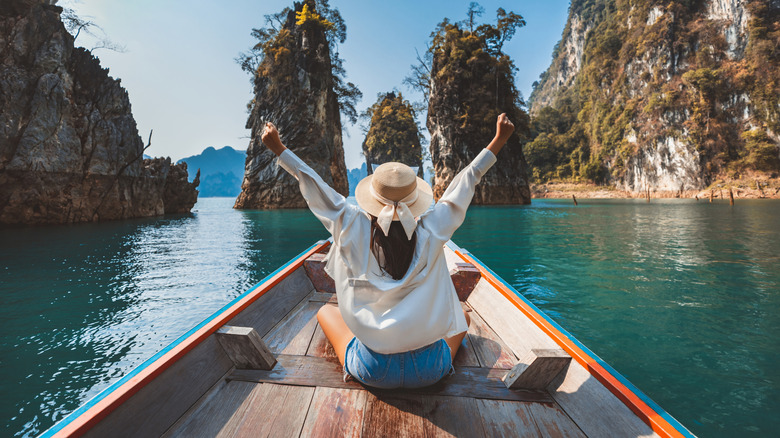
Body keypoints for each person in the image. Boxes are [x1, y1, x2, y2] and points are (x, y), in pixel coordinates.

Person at [261, 113, 514, 388]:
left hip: (373, 370)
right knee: (461, 317)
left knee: (325, 313)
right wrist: (498, 140)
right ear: (415, 200)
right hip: (429, 370)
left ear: (371, 198)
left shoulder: (351, 225)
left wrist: (279, 149)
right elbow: (465, 184)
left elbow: (316, 189)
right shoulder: (432, 231)